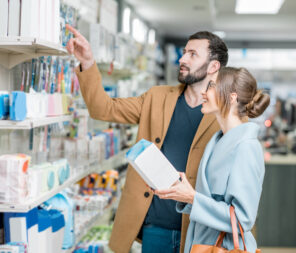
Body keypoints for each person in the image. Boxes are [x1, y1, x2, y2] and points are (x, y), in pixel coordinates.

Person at [65, 24, 228, 253]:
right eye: (184, 52)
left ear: (213, 66)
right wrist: (88, 63)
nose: (183, 59)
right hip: (155, 226)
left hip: (199, 229)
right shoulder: (157, 97)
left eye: (193, 54)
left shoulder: (225, 111)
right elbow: (103, 108)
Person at [155, 67, 270, 253]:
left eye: (211, 86)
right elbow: (209, 199)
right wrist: (183, 194)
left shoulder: (246, 147)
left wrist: (193, 197)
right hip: (202, 242)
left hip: (223, 246)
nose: (203, 92)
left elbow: (242, 218)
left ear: (231, 98)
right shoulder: (218, 140)